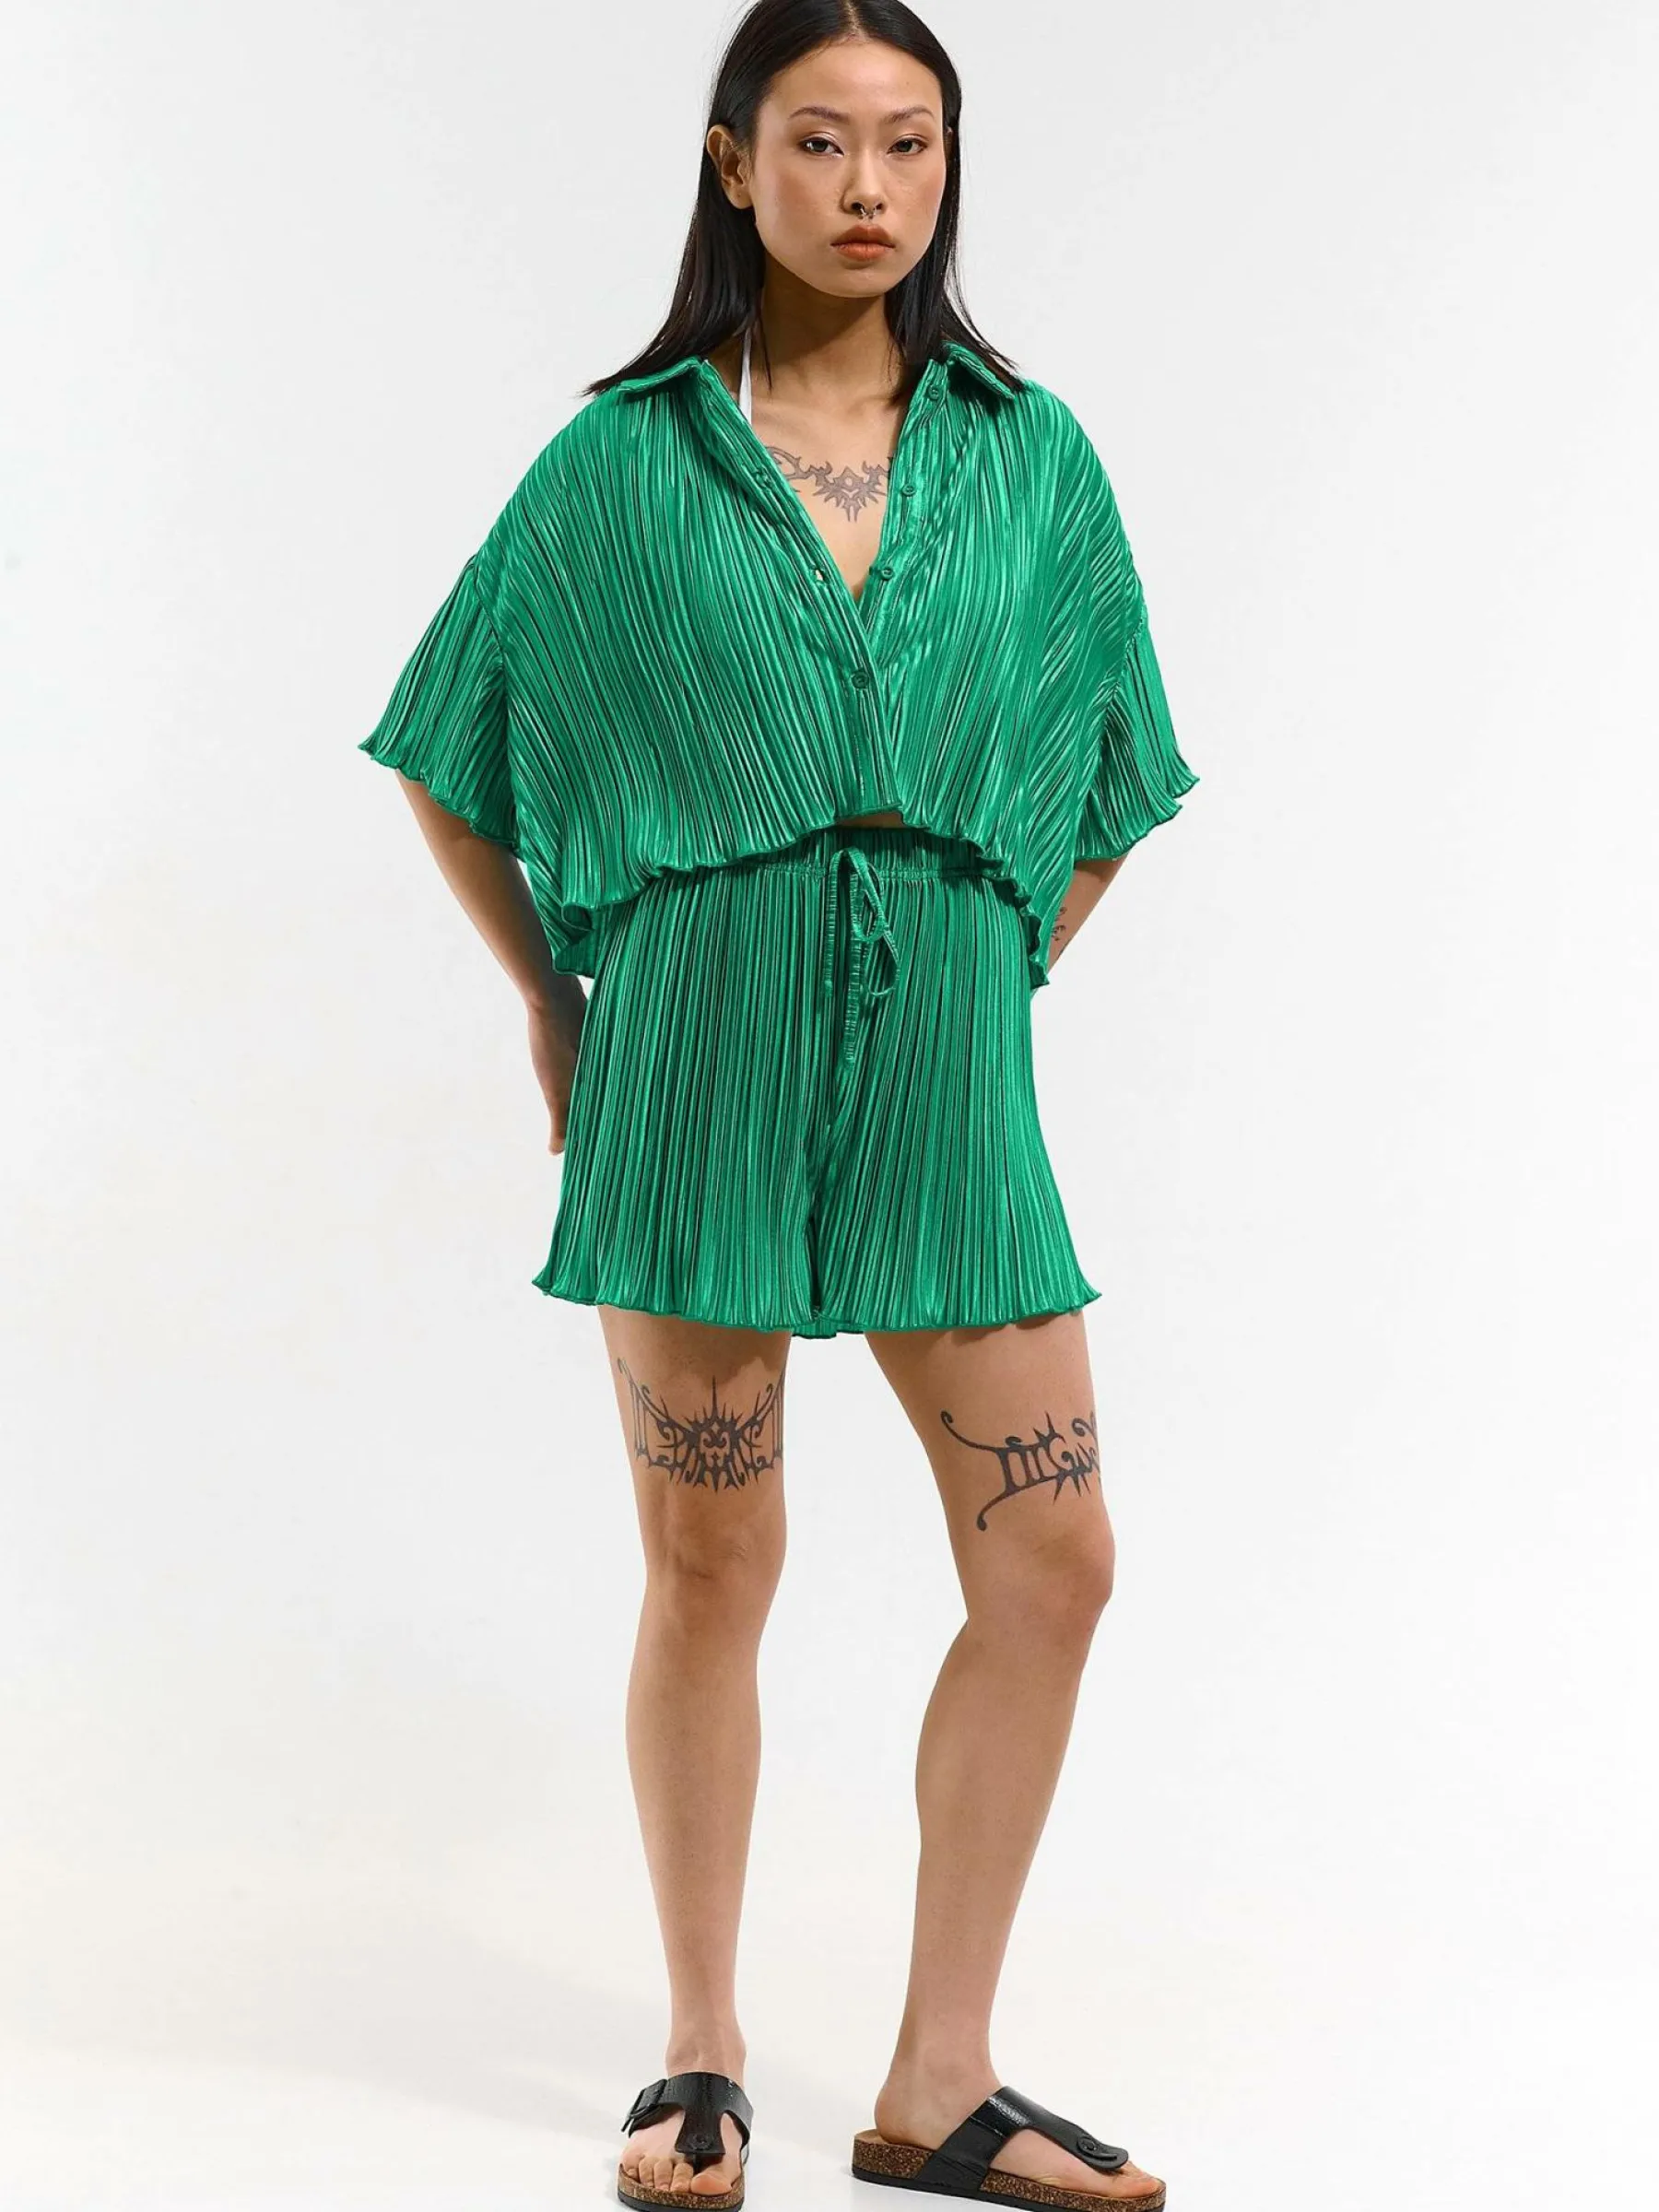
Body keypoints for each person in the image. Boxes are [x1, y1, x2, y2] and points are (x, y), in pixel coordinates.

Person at [358, 6, 1196, 2207]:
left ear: (949, 167)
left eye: (910, 142)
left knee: (1058, 1557)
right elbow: (454, 749)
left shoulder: (1033, 458)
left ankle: (943, 2078)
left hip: (950, 1090)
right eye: (820, 141)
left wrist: (994, 964)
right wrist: (553, 1007)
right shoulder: (619, 465)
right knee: (713, 1555)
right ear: (734, 163)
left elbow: (1116, 769)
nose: (868, 185)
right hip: (690, 1059)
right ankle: (700, 2053)